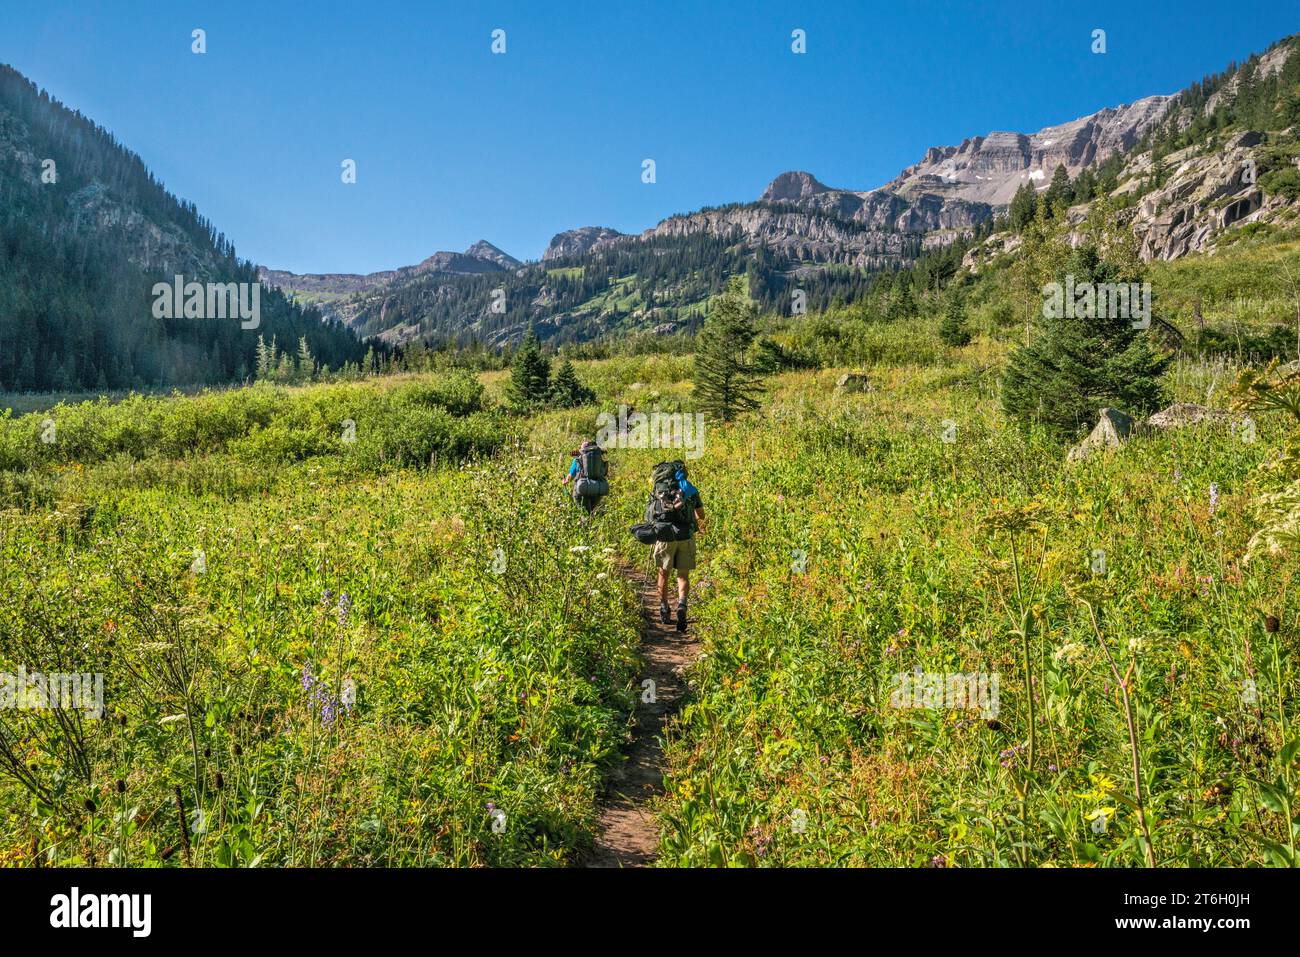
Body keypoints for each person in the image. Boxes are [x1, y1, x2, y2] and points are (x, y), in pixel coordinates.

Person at [649, 460, 704, 633]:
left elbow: (651, 512)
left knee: (663, 573)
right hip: (685, 535)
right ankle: (682, 605)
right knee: (683, 575)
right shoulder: (689, 488)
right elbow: (700, 515)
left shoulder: (658, 489)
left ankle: (664, 608)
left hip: (665, 535)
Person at [562, 440, 609, 514]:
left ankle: (584, 524)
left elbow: (571, 475)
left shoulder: (578, 458)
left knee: (584, 514)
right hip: (597, 490)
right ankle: (589, 523)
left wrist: (566, 481)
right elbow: (604, 473)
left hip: (581, 489)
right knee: (590, 513)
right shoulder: (600, 458)